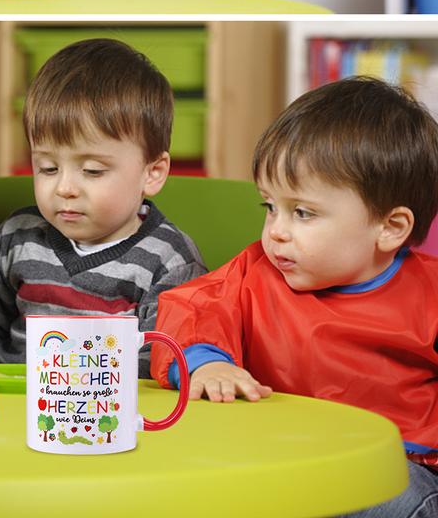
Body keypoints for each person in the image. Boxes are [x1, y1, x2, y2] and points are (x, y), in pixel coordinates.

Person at [151, 77, 438, 518]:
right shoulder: (255, 274)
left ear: (390, 228)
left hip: (396, 465)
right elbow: (192, 307)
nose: (277, 231)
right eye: (270, 207)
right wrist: (206, 362)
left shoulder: (429, 292)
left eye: (302, 213)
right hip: (280, 459)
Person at [0, 38, 206, 376]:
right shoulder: (16, 237)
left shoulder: (170, 260)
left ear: (152, 173)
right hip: (7, 411)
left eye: (92, 171)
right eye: (48, 168)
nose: (65, 188)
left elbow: (158, 369)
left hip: (103, 415)